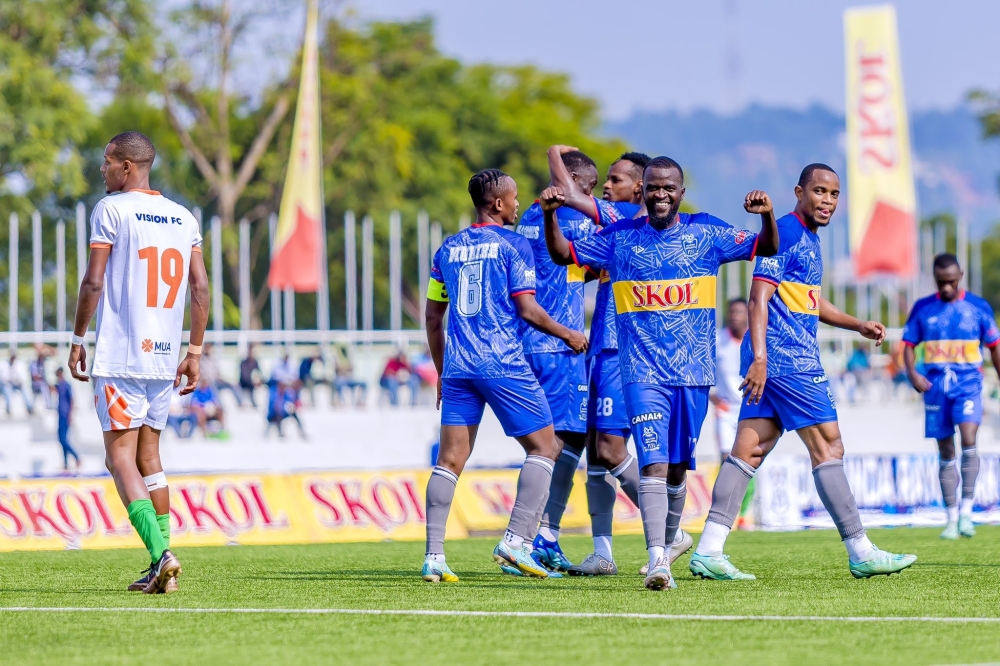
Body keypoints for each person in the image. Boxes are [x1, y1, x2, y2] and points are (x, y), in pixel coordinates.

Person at [541, 155, 778, 590]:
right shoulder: (619, 238)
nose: (661, 195)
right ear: (643, 191)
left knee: (675, 471)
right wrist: (552, 215)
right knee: (652, 463)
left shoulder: (706, 232)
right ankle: (657, 562)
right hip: (641, 372)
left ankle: (669, 545)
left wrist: (767, 217)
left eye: (669, 188)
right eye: (653, 187)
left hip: (693, 374)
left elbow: (766, 247)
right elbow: (562, 255)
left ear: (681, 192)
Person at [689, 163, 917, 581]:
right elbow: (759, 298)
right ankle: (861, 550)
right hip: (787, 360)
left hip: (773, 361)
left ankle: (709, 550)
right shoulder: (789, 233)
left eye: (834, 194)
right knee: (829, 447)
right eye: (819, 191)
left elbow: (809, 302)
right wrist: (760, 358)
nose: (827, 201)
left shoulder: (808, 239)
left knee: (748, 453)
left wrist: (856, 324)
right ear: (799, 192)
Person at [421, 168, 588, 583]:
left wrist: (442, 371)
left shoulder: (448, 248)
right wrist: (569, 333)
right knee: (545, 447)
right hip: (502, 361)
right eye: (513, 198)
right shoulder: (513, 245)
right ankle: (516, 540)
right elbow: (527, 310)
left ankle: (434, 557)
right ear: (497, 204)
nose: (517, 204)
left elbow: (431, 316)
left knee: (449, 461)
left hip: (459, 367)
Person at [68, 131, 209, 594]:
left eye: (106, 161)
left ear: (126, 167)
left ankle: (159, 553)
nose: (102, 169)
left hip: (120, 353)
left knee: (118, 458)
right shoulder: (183, 217)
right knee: (151, 458)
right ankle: (159, 571)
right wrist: (194, 352)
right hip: (165, 357)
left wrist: (77, 338)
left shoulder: (110, 210)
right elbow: (200, 289)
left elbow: (93, 283)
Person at [541, 148, 694, 576]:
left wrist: (555, 153)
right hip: (602, 349)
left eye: (616, 179)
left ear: (640, 189)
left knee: (610, 449)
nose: (607, 186)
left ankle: (669, 531)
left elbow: (570, 192)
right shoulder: (619, 235)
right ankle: (603, 551)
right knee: (595, 449)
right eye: (607, 180)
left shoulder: (619, 217)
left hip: (621, 350)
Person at [514, 149, 601, 572]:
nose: (594, 194)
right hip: (560, 345)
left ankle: (543, 535)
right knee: (555, 445)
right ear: (576, 184)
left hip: (530, 342)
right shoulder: (575, 219)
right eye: (590, 186)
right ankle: (529, 539)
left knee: (563, 440)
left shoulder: (528, 216)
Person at [902, 253, 1000, 540]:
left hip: (968, 385)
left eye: (951, 282)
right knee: (946, 451)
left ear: (961, 277)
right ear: (934, 279)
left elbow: (994, 345)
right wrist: (913, 374)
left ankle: (968, 513)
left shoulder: (978, 308)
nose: (946, 288)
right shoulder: (922, 309)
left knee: (969, 438)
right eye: (940, 282)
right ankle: (951, 517)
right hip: (935, 389)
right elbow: (907, 345)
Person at [53, 367, 81, 473]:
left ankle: (77, 457)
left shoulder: (66, 385)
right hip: (60, 415)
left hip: (65, 415)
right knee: (61, 440)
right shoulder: (59, 385)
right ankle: (65, 464)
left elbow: (72, 400)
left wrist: (70, 415)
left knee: (64, 440)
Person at [6, 351, 34, 415]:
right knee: (7, 391)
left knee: (25, 391)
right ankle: (8, 409)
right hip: (9, 385)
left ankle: (29, 408)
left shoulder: (20, 364)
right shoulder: (5, 364)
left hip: (19, 384)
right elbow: (4, 377)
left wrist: (17, 380)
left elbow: (22, 377)